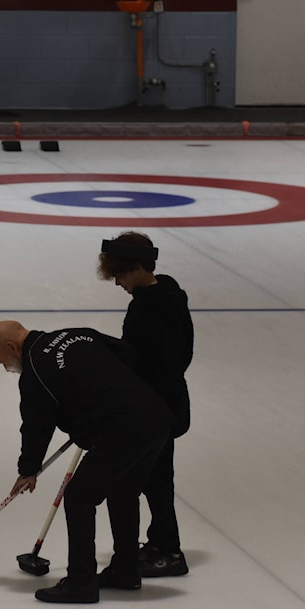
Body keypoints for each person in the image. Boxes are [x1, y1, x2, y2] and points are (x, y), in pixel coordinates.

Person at [0, 320, 174, 603]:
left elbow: (37, 424)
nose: (7, 368)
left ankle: (81, 582)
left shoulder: (35, 371)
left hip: (123, 427)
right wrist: (98, 404)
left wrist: (28, 470)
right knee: (123, 491)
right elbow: (126, 354)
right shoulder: (77, 335)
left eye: (4, 362)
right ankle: (125, 571)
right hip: (155, 416)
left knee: (79, 497)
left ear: (12, 347)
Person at [98, 232, 193, 578]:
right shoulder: (166, 294)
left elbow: (149, 360)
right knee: (155, 479)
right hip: (164, 404)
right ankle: (160, 543)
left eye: (120, 274)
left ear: (138, 268)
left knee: (154, 480)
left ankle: (169, 550)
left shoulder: (149, 306)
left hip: (154, 409)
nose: (117, 282)